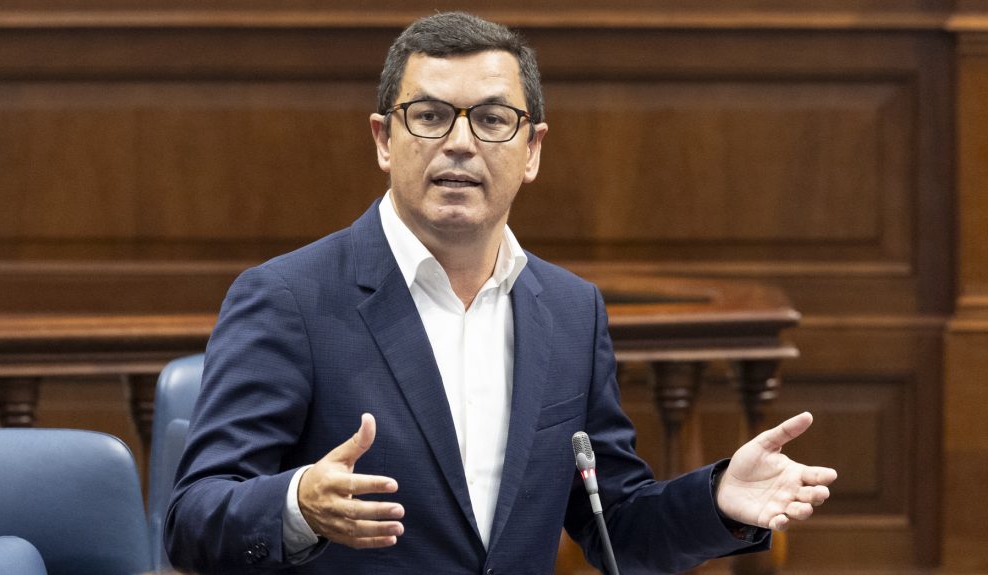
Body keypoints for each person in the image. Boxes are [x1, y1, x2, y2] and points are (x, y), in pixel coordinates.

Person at [165, 11, 837, 575]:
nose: (459, 143)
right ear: (383, 139)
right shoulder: (289, 298)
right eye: (429, 116)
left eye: (491, 120)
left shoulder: (571, 311)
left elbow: (615, 524)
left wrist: (718, 499)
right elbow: (191, 518)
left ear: (533, 149)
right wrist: (297, 503)